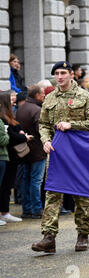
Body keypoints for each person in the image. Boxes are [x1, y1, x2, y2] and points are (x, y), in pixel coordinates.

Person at [31, 61, 89, 254]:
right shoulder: (50, 98)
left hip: (79, 154)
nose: (60, 76)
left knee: (81, 193)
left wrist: (73, 124)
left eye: (63, 72)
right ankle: (48, 237)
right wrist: (45, 140)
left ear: (72, 75)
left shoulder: (84, 96)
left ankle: (83, 234)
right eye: (57, 73)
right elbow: (44, 124)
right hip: (56, 153)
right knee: (52, 192)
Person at [15, 86, 47, 219]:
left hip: (25, 150)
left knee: (26, 179)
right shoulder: (37, 110)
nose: (44, 96)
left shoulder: (21, 108)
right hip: (37, 150)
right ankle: (36, 209)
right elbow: (41, 131)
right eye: (42, 94)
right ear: (37, 95)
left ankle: (27, 208)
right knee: (36, 180)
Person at [0, 91, 31, 224]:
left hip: (11, 156)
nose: (14, 101)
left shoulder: (9, 115)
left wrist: (19, 133)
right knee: (3, 186)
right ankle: (4, 212)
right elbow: (9, 137)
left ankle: (5, 212)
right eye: (11, 99)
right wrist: (23, 136)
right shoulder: (2, 118)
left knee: (7, 186)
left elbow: (12, 132)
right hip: (7, 154)